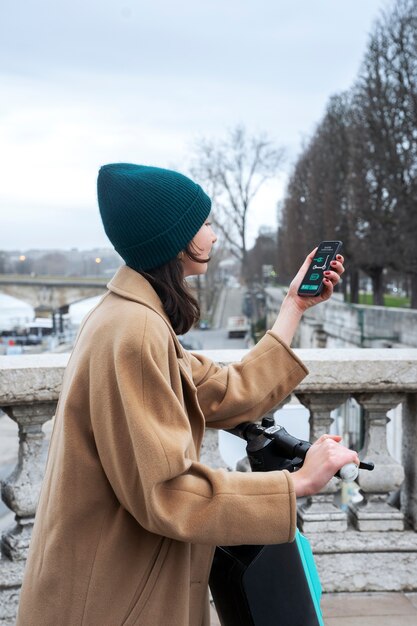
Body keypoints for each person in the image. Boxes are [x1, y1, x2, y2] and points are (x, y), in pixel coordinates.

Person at [16, 163, 359, 626]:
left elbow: (226, 391)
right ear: (172, 239)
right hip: (114, 602)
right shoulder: (134, 333)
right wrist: (295, 484)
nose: (214, 235)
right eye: (203, 223)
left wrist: (294, 306)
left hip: (115, 585)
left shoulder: (133, 316)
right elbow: (168, 492)